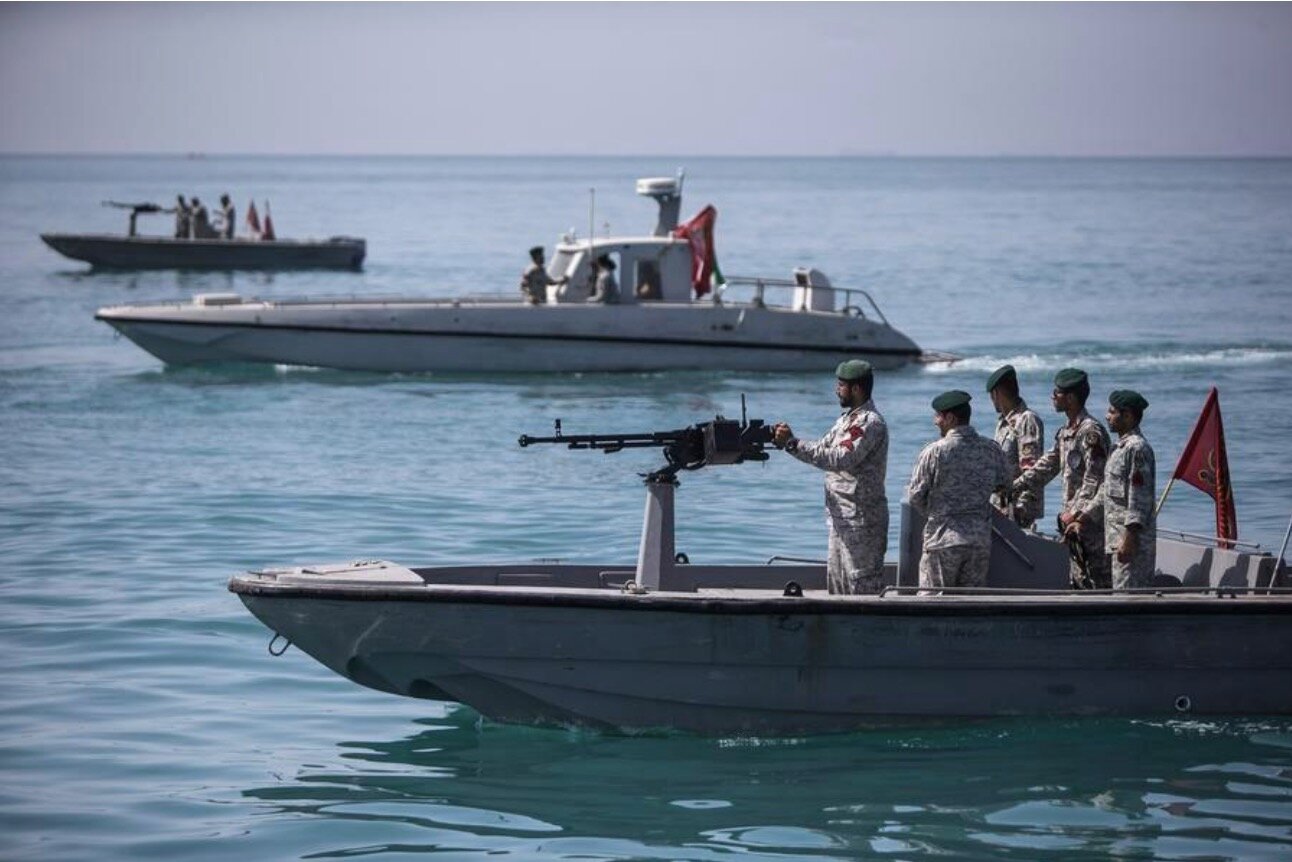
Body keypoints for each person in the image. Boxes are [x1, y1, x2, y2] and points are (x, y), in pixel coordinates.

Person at [773, 360, 889, 595]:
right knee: (838, 586)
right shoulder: (847, 420)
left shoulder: (869, 423)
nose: (837, 390)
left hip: (861, 521)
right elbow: (822, 448)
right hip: (841, 519)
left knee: (861, 588)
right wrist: (788, 442)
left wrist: (793, 444)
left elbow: (839, 458)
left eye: (841, 385)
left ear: (856, 389)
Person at [1013, 368, 1111, 589]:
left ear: (1072, 397)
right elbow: (1047, 466)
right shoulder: (1066, 432)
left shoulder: (1090, 433)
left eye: (1057, 392)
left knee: (1097, 584)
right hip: (1072, 524)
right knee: (1077, 582)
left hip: (1090, 523)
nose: (1052, 397)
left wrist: (1076, 513)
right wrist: (1015, 487)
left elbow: (1094, 480)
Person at [906, 390, 1009, 592]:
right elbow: (1005, 483)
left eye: (938, 416)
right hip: (978, 542)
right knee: (970, 608)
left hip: (942, 540)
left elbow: (915, 496)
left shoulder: (934, 452)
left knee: (932, 604)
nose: (935, 421)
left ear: (951, 418)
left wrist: (938, 514)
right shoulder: (991, 449)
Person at [1103, 390, 1156, 589]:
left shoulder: (1137, 449)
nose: (1107, 416)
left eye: (1112, 411)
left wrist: (1130, 538)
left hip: (1132, 544)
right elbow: (1108, 491)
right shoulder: (1120, 448)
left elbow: (1138, 498)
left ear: (1128, 416)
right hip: (1117, 539)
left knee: (1129, 598)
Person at [986, 364, 1045, 528]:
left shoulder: (1026, 420)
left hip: (1017, 512)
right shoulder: (1004, 423)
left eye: (991, 396)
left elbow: (1031, 469)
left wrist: (1021, 508)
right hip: (1002, 508)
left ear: (996, 394)